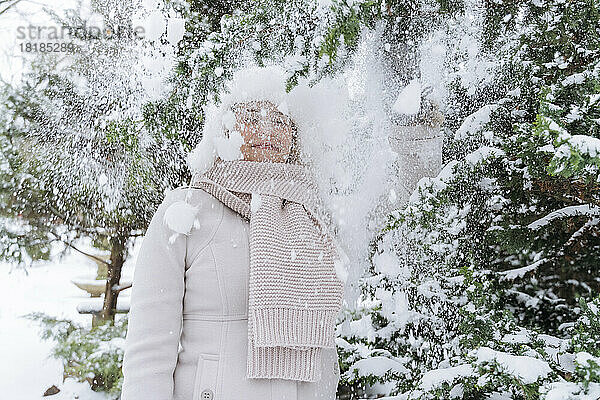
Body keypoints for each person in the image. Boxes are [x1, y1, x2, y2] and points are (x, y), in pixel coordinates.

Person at [121, 65, 346, 400]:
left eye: (282, 120)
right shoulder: (186, 209)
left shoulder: (314, 215)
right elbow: (150, 344)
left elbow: (323, 349)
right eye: (253, 117)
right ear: (225, 128)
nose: (269, 128)